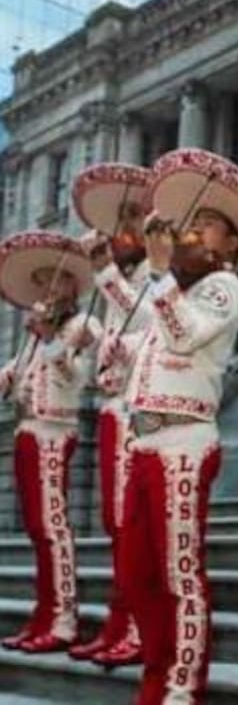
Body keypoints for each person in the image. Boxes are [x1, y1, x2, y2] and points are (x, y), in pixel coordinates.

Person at [118, 149, 238, 704]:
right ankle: (155, 676)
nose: (193, 231)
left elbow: (183, 336)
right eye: (192, 223)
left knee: (179, 573)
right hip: (145, 440)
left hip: (184, 442)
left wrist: (158, 273)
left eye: (208, 225)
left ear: (231, 245)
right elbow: (144, 349)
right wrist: (116, 351)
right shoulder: (176, 289)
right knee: (136, 573)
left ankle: (183, 687)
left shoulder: (225, 287)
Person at [70, 162, 155, 667]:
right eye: (120, 222)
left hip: (138, 411)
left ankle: (140, 625)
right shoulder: (117, 282)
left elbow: (151, 324)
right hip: (109, 407)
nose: (122, 233)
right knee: (113, 522)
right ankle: (119, 621)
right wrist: (89, 344)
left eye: (133, 221)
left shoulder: (158, 274)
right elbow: (110, 346)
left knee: (131, 523)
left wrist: (103, 275)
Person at [0, 231, 98, 654]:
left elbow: (78, 375)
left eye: (55, 283)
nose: (47, 292)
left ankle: (64, 619)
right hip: (26, 431)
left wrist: (51, 338)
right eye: (41, 284)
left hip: (55, 433)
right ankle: (43, 614)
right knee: (38, 530)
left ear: (73, 288)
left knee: (53, 527)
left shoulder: (84, 326)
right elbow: (17, 374)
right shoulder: (34, 336)